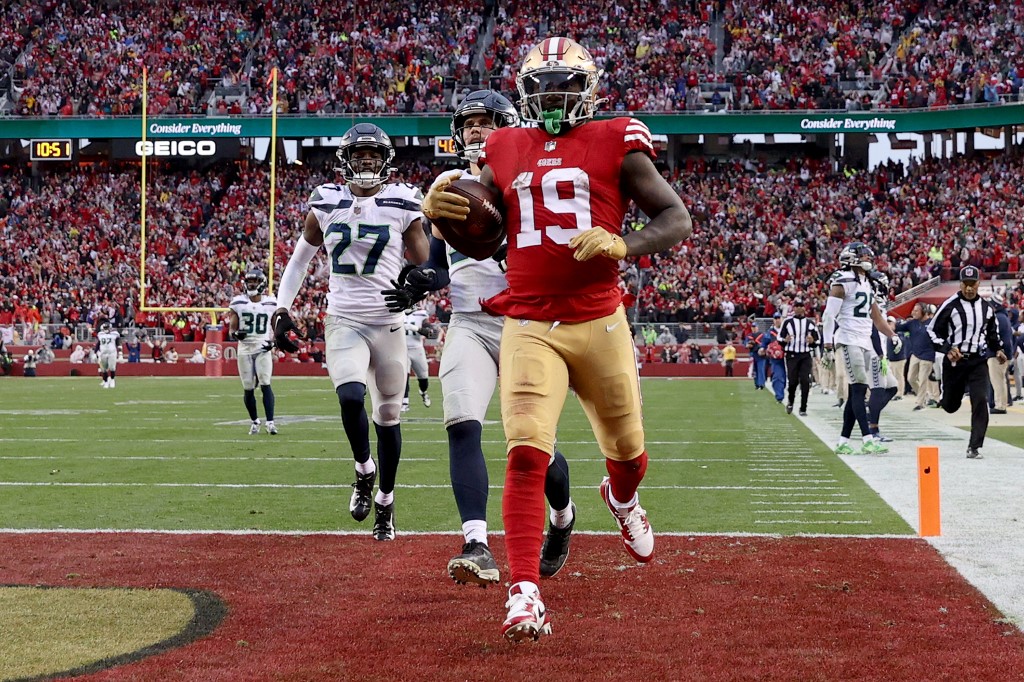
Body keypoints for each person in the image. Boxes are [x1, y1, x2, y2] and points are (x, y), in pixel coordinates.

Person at [421, 38, 692, 642]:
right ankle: (524, 592)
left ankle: (621, 500)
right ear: (524, 93)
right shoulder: (504, 145)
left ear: (588, 89)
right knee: (525, 451)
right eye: (542, 87)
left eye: (565, 86)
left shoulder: (617, 138)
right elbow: (484, 229)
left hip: (599, 321)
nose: (553, 98)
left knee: (629, 454)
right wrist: (440, 215)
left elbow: (675, 217)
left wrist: (625, 244)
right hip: (529, 321)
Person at [383, 89, 575, 588]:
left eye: (488, 120)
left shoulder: (534, 179)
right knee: (462, 422)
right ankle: (476, 541)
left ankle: (563, 516)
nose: (476, 129)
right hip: (468, 321)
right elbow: (440, 267)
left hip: (526, 323)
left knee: (531, 445)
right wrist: (420, 279)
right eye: (468, 123)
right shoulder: (449, 184)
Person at [272, 123, 429, 541]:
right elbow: (299, 260)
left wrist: (415, 282)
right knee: (349, 395)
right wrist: (281, 308)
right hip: (343, 319)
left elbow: (424, 261)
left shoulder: (402, 201)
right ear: (344, 160)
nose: (365, 162)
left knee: (389, 418)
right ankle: (364, 469)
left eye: (373, 156)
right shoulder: (326, 201)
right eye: (358, 155)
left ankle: (386, 502)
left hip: (388, 324)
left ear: (386, 162)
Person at [822, 242, 903, 456]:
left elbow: (876, 318)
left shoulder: (868, 283)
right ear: (852, 258)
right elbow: (829, 316)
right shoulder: (841, 282)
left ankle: (843, 441)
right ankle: (868, 438)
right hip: (848, 339)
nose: (868, 258)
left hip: (865, 340)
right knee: (858, 388)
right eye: (863, 255)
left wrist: (892, 335)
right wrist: (827, 344)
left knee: (855, 393)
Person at [928, 266, 1008, 459]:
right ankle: (948, 395)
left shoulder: (987, 308)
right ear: (960, 284)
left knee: (981, 400)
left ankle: (974, 446)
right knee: (950, 406)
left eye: (973, 284)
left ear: (978, 284)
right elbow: (932, 330)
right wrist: (947, 349)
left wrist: (998, 349)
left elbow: (992, 335)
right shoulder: (950, 304)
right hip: (955, 362)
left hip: (977, 361)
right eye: (966, 284)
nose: (969, 288)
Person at [229, 268, 279, 435]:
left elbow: (276, 328)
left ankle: (270, 422)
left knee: (265, 383)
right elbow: (232, 330)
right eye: (249, 281)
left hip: (262, 347)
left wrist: (273, 343)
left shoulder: (271, 303)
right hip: (244, 349)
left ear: (262, 284)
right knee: (248, 387)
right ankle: (255, 421)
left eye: (255, 281)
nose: (251, 284)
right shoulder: (238, 303)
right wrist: (236, 334)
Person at [896, 302, 939, 410]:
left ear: (923, 312)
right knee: (911, 378)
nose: (913, 312)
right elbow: (898, 328)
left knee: (923, 378)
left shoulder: (932, 323)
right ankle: (926, 396)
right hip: (915, 354)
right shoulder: (912, 323)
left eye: (916, 310)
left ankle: (920, 403)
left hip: (928, 355)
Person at [780, 299, 818, 416]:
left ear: (804, 308)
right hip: (792, 354)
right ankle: (790, 401)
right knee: (792, 381)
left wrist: (812, 341)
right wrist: (785, 341)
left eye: (800, 306)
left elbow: (818, 339)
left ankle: (803, 408)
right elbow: (779, 338)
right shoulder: (787, 322)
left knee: (805, 381)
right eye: (796, 306)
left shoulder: (810, 323)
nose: (798, 308)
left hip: (805, 355)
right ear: (793, 308)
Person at [401, 305, 432, 413]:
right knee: (404, 375)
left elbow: (430, 333)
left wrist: (417, 329)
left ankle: (423, 392)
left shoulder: (421, 315)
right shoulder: (397, 314)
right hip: (402, 349)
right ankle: (405, 402)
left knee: (423, 379)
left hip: (417, 350)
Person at [987, 292, 1014, 414]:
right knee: (1000, 380)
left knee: (997, 381)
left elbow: (996, 337)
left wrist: (998, 351)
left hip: (997, 354)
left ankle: (1000, 405)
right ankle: (1001, 403)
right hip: (1003, 353)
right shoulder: (1004, 318)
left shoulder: (998, 318)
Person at [95, 321, 120, 388]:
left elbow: (118, 343)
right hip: (103, 353)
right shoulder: (100, 334)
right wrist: (96, 351)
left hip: (112, 353)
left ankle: (112, 380)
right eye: (105, 328)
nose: (106, 329)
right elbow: (98, 343)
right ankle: (106, 382)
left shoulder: (114, 334)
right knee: (104, 369)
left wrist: (120, 353)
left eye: (107, 328)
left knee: (112, 367)